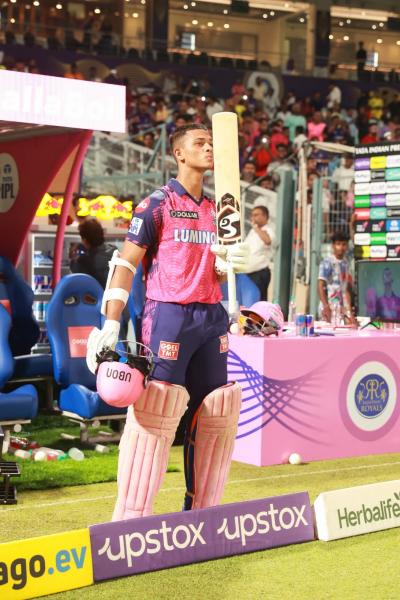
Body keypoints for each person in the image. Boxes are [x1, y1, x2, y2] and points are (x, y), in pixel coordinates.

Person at [86, 123, 249, 521]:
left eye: (211, 143)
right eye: (200, 143)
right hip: (169, 315)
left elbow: (217, 270)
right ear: (179, 153)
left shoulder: (220, 210)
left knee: (217, 411)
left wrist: (231, 265)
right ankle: (131, 519)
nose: (209, 148)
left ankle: (203, 517)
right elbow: (126, 263)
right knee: (156, 410)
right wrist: (111, 322)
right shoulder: (156, 204)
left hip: (211, 315)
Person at [69, 218, 117, 289]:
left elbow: (76, 277)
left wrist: (73, 258)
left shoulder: (82, 261)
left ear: (84, 240)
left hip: (96, 295)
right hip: (115, 294)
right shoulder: (114, 251)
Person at [317, 231, 354, 323]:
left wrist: (349, 310)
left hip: (341, 308)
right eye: (338, 244)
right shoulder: (328, 262)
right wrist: (326, 307)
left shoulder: (345, 263)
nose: (341, 247)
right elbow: (320, 285)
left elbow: (345, 288)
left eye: (344, 244)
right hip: (329, 306)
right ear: (333, 246)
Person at [244, 206, 275, 300]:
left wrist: (256, 228)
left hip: (259, 273)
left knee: (258, 302)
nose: (253, 217)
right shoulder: (252, 231)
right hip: (248, 273)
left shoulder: (268, 230)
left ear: (265, 216)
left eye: (256, 215)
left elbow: (268, 240)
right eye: (252, 215)